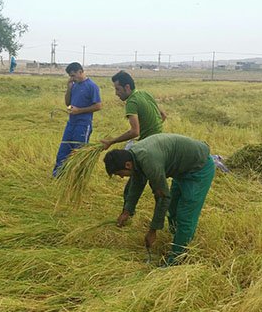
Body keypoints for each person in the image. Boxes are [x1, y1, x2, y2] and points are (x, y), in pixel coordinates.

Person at [103, 133, 215, 267]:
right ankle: (178, 239)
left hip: (198, 169)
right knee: (172, 211)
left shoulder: (149, 161)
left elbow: (162, 198)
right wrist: (127, 210)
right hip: (181, 171)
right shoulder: (135, 156)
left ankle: (177, 258)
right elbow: (137, 182)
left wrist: (153, 231)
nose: (121, 177)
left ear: (127, 165)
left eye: (120, 174)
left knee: (185, 216)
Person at [52, 62, 102, 177]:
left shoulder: (91, 86)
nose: (72, 78)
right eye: (70, 76)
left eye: (73, 75)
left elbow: (98, 106)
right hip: (71, 123)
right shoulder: (74, 85)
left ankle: (79, 176)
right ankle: (58, 175)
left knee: (79, 151)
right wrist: (69, 88)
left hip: (83, 124)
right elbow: (67, 103)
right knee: (64, 149)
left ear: (80, 72)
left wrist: (79, 110)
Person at [100, 70, 167, 151]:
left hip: (148, 145)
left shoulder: (132, 102)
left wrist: (111, 141)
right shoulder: (145, 94)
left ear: (127, 87)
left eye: (118, 89)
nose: (116, 93)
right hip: (160, 140)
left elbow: (135, 132)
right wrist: (152, 129)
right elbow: (163, 115)